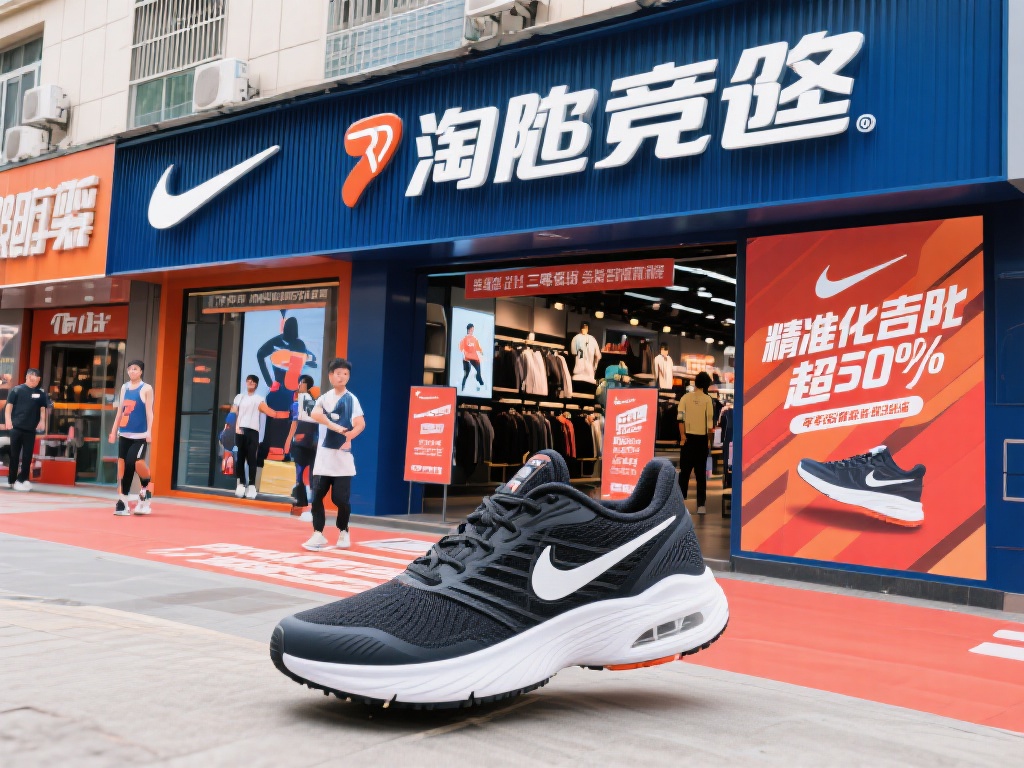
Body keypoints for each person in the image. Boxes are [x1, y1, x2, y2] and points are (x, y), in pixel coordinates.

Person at [303, 358, 365, 551]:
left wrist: (349, 436)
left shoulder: (351, 399)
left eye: (346, 374)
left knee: (340, 499)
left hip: (342, 461)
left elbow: (360, 424)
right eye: (338, 373)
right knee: (317, 497)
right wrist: (334, 426)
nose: (342, 377)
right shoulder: (324, 398)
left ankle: (344, 531)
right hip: (323, 460)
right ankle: (318, 533)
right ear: (331, 376)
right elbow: (315, 414)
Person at [107, 360, 154, 516]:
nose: (132, 371)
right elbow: (120, 411)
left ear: (141, 371)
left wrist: (149, 432)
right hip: (124, 433)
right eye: (130, 369)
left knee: (135, 463)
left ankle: (145, 492)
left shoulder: (146, 388)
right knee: (122, 467)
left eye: (135, 369)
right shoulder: (124, 387)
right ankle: (123, 502)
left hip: (140, 435)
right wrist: (113, 431)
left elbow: (149, 412)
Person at [227, 374, 276, 499]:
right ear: (245, 382)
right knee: (240, 458)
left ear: (256, 385)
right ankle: (241, 484)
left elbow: (268, 412)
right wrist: (231, 426)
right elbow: (233, 412)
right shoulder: (239, 397)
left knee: (251, 459)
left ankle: (252, 485)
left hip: (253, 431)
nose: (250, 383)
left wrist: (279, 414)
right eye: (248, 381)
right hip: (240, 430)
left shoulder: (259, 399)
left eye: (253, 382)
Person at [4, 368, 49, 492]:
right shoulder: (16, 390)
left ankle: (23, 479)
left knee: (27, 456)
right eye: (33, 379)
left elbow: (42, 408)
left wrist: (42, 421)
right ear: (28, 377)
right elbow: (9, 407)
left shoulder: (40, 393)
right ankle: (12, 480)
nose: (35, 382)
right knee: (14, 455)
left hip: (30, 429)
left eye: (37, 380)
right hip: (16, 427)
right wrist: (8, 420)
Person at [677, 371, 715, 515]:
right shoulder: (707, 400)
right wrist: (709, 441)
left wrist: (682, 436)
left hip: (687, 439)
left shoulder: (685, 398)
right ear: (706, 385)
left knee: (684, 473)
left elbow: (680, 418)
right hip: (701, 440)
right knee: (700, 474)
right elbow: (710, 424)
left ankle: (680, 503)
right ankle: (701, 505)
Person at [284, 374, 318, 516]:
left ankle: (313, 506)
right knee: (299, 472)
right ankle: (300, 503)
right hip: (301, 443)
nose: (299, 385)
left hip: (311, 443)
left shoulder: (311, 402)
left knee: (312, 475)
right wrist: (289, 441)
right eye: (299, 382)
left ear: (307, 385)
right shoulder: (297, 403)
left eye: (302, 383)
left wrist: (288, 441)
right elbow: (294, 423)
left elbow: (297, 423)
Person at [459, 323, 484, 392]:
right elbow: (461, 348)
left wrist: (481, 352)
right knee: (466, 374)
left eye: (473, 330)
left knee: (478, 372)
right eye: (471, 329)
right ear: (468, 330)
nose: (472, 331)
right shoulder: (464, 339)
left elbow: (478, 347)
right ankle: (463, 387)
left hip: (474, 359)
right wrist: (465, 355)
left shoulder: (474, 339)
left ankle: (481, 384)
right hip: (467, 360)